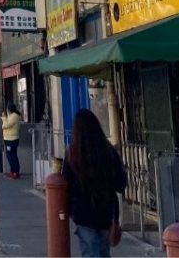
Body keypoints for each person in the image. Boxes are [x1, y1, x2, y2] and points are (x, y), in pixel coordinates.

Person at [63, 109, 128, 257]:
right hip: (106, 212)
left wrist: (66, 211)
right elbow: (120, 183)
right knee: (103, 252)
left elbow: (64, 184)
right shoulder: (108, 151)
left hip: (83, 214)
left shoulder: (73, 153)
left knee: (91, 252)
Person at [2, 103, 23, 179]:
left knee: (12, 156)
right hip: (8, 138)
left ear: (9, 109)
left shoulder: (14, 116)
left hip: (12, 139)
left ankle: (16, 172)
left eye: (7, 109)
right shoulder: (11, 116)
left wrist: (4, 118)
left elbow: (6, 125)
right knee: (9, 155)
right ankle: (13, 171)